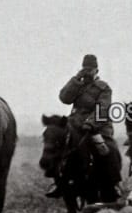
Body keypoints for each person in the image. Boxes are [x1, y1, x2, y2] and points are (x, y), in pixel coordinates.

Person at [46, 54, 114, 198]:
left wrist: (90, 123)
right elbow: (64, 98)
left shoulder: (103, 88)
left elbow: (103, 108)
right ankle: (58, 182)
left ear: (97, 70)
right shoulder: (78, 84)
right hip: (75, 123)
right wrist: (76, 79)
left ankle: (112, 184)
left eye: (90, 69)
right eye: (85, 69)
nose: (88, 72)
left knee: (106, 150)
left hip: (97, 125)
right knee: (57, 143)